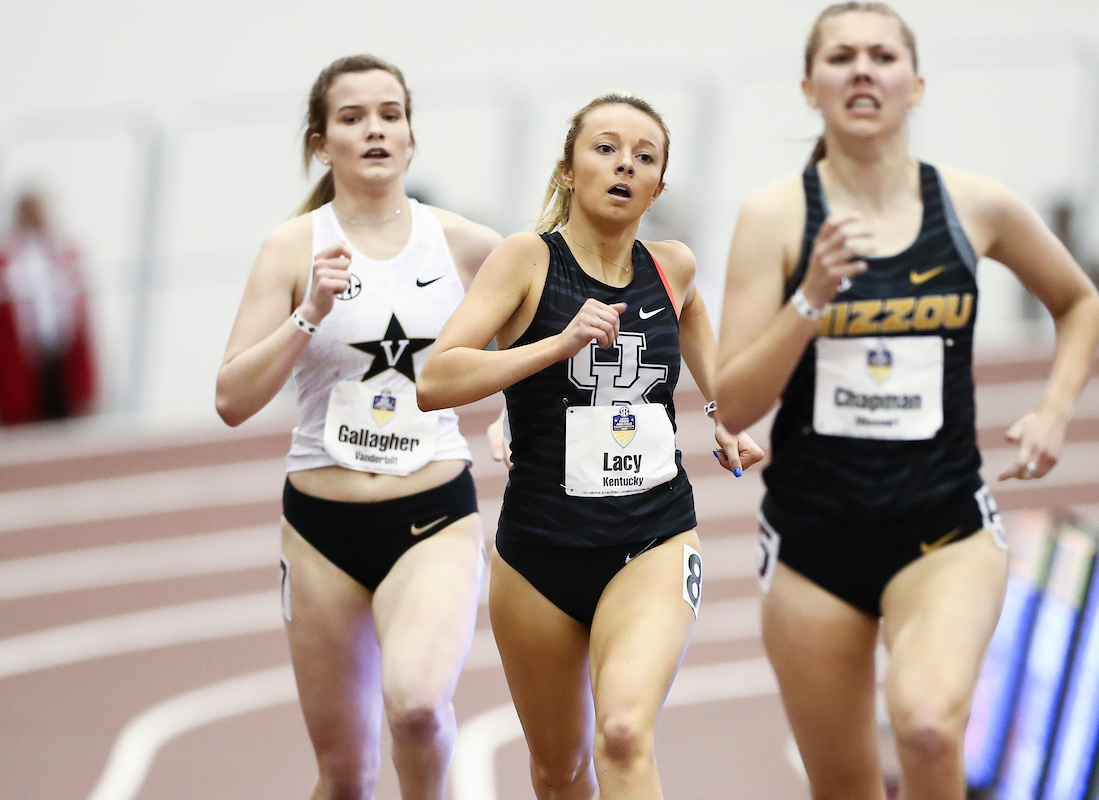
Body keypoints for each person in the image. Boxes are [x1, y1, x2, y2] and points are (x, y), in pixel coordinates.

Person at [714, 4, 1099, 798]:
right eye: (842, 57)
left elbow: (1079, 300)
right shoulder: (776, 217)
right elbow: (733, 403)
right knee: (845, 786)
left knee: (927, 726)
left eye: (883, 56)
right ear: (808, 86)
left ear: (916, 84)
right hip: (813, 544)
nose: (863, 69)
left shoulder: (975, 205)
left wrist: (1054, 406)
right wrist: (810, 300)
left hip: (944, 528)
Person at [417, 93, 762, 799]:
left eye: (644, 156)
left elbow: (691, 313)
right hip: (539, 554)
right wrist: (557, 344)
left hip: (654, 537)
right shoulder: (524, 262)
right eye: (605, 148)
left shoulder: (673, 266)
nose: (624, 165)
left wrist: (723, 408)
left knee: (624, 737)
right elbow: (436, 378)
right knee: (558, 771)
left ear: (659, 186)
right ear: (569, 170)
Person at [214, 54, 500, 800]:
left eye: (390, 113)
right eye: (352, 117)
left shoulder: (467, 245)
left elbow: (547, 338)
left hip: (432, 512)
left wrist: (511, 419)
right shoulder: (290, 247)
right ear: (321, 143)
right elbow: (232, 399)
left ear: (410, 136)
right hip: (319, 531)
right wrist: (307, 313)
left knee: (414, 705)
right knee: (343, 777)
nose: (374, 129)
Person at [0, 190, 97, 423]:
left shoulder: (63, 252)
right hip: (25, 359)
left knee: (65, 414)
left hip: (60, 352)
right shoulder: (9, 257)